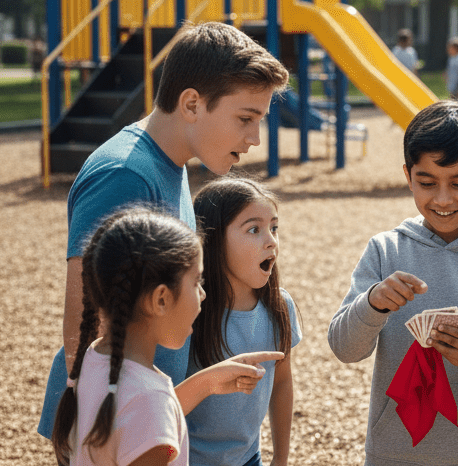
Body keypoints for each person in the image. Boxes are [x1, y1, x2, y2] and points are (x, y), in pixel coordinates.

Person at [37, 21, 289, 440]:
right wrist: (106, 440)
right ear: (191, 104)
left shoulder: (168, 163)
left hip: (142, 418)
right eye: (246, 118)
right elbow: (86, 322)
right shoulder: (125, 175)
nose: (255, 138)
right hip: (114, 429)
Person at [328, 100, 458, 464]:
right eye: (427, 183)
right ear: (408, 177)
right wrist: (372, 303)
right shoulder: (385, 250)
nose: (443, 199)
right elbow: (344, 349)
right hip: (394, 454)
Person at [50, 207, 285, 465]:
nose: (203, 295)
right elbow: (148, 416)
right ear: (161, 299)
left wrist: (207, 383)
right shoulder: (150, 402)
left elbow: (137, 420)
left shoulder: (95, 358)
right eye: (196, 283)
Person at [186, 177, 302, 466]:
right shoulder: (188, 313)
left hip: (249, 459)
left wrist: (281, 458)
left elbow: (282, 382)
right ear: (211, 239)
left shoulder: (280, 306)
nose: (271, 240)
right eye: (254, 229)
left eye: (274, 228)